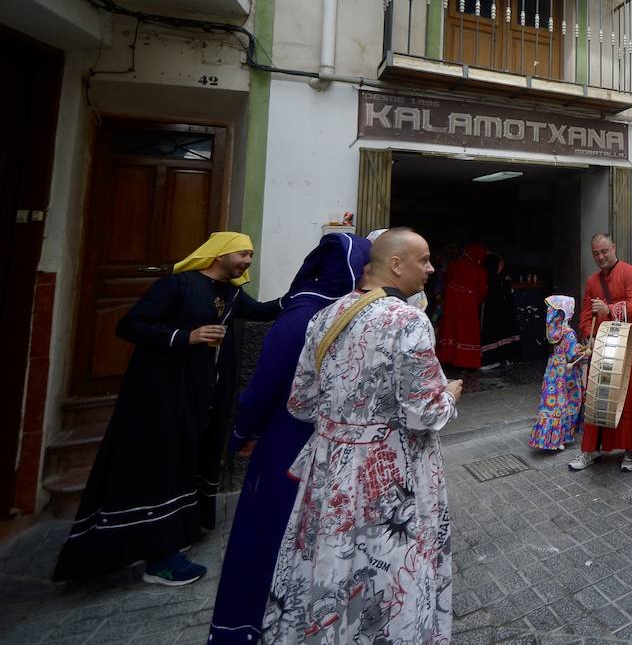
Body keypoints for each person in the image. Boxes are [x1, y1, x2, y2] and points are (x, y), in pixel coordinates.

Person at [261, 228, 462, 644]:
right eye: (423, 260)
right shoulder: (408, 319)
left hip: (330, 470)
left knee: (332, 564)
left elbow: (300, 403)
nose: (430, 269)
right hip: (389, 474)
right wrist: (449, 394)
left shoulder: (325, 317)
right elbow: (423, 413)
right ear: (395, 264)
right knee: (389, 569)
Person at [53, 232, 282, 586]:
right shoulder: (178, 285)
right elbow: (130, 325)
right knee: (160, 467)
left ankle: (177, 532)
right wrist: (184, 336)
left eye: (251, 255)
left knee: (186, 462)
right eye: (243, 253)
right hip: (161, 395)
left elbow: (268, 311)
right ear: (219, 253)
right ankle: (158, 558)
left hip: (200, 396)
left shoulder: (231, 294)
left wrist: (313, 288)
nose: (248, 261)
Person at [208, 233, 370, 641]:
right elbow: (264, 386)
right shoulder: (306, 317)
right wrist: (246, 431)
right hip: (287, 439)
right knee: (275, 530)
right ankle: (254, 622)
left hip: (317, 441)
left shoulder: (335, 312)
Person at [568, 233, 632, 472]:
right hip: (603, 343)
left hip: (631, 342)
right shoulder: (593, 282)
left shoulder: (631, 273)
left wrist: (609, 308)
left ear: (613, 247)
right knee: (597, 396)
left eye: (604, 251)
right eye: (596, 253)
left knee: (631, 395)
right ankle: (591, 449)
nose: (601, 256)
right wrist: (588, 335)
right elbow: (585, 314)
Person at [529, 295, 584, 452]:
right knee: (568, 401)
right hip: (567, 374)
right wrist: (586, 353)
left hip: (553, 371)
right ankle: (562, 437)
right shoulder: (569, 333)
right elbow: (573, 355)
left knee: (552, 402)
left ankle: (549, 438)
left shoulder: (555, 333)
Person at [436, 242, 488, 368]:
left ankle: (447, 357)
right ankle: (465, 361)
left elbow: (446, 280)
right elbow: (482, 292)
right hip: (468, 306)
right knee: (466, 331)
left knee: (450, 329)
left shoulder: (455, 265)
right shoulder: (480, 271)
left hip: (450, 303)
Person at [479, 251, 522, 368]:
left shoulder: (496, 281)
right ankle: (497, 359)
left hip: (498, 316)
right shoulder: (497, 281)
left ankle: (500, 359)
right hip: (496, 316)